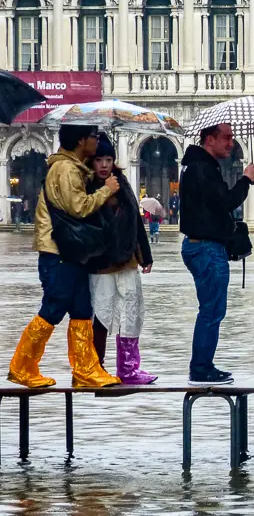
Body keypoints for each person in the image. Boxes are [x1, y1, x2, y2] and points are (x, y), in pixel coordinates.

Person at [7, 125, 121, 388]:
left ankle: (85, 369)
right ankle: (22, 366)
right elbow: (79, 208)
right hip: (57, 253)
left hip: (72, 254)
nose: (97, 142)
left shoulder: (74, 168)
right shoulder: (65, 169)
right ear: (82, 140)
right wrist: (106, 191)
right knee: (53, 308)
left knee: (82, 310)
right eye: (94, 137)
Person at [180, 123, 254, 385]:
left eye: (232, 138)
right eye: (226, 138)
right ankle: (201, 369)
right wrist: (246, 179)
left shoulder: (198, 166)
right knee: (212, 311)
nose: (231, 143)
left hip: (200, 245)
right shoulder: (203, 169)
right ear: (209, 139)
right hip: (206, 247)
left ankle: (203, 365)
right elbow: (226, 202)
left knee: (210, 310)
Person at [87, 134, 157, 385]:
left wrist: (145, 255)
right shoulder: (87, 186)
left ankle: (128, 369)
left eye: (108, 159)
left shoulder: (123, 183)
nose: (104, 165)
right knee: (102, 315)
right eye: (99, 160)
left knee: (131, 311)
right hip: (101, 264)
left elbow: (136, 221)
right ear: (91, 162)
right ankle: (97, 366)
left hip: (127, 260)